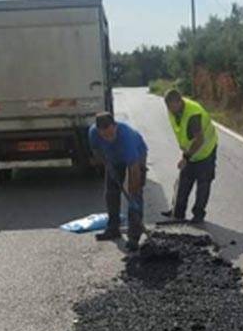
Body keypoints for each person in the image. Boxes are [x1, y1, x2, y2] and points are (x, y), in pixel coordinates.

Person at [88, 112, 148, 251]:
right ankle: (113, 228)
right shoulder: (93, 133)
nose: (108, 138)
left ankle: (134, 236)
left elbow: (134, 171)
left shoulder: (127, 138)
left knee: (136, 195)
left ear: (115, 126)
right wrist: (108, 166)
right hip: (113, 158)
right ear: (98, 131)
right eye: (104, 135)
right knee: (111, 193)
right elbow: (96, 151)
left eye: (111, 134)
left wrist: (133, 196)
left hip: (137, 155)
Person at [161, 89, 218, 223]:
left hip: (205, 151)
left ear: (179, 101)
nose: (170, 110)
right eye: (168, 107)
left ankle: (198, 215)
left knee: (203, 183)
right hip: (190, 151)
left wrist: (186, 157)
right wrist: (186, 154)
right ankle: (178, 212)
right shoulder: (173, 110)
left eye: (172, 106)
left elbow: (199, 140)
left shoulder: (193, 115)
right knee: (184, 180)